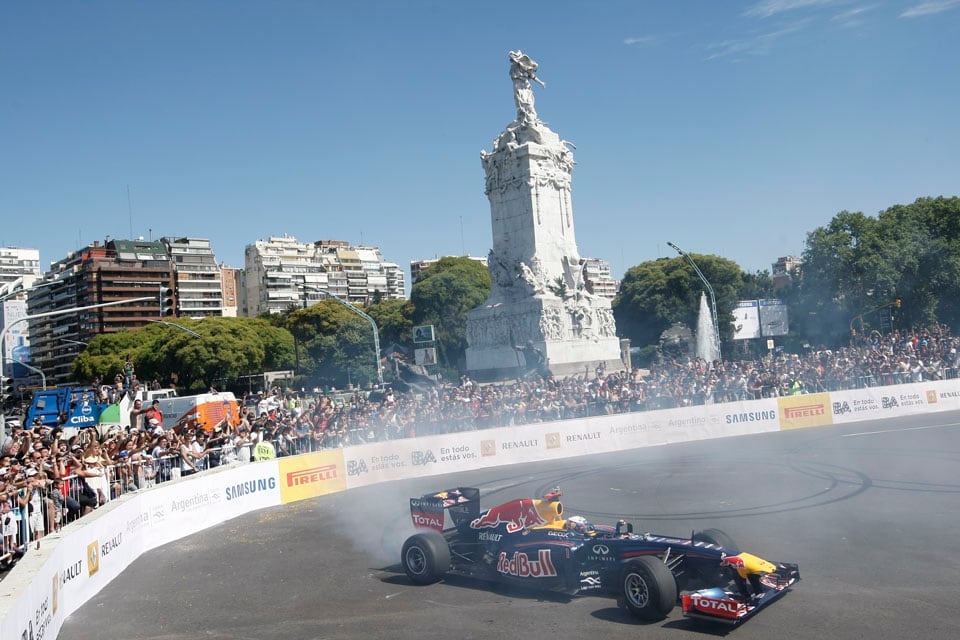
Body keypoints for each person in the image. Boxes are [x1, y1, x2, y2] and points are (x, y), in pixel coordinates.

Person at [509, 50, 544, 124]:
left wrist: (541, 83)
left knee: (528, 101)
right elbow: (514, 75)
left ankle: (531, 117)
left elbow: (532, 76)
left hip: (525, 86)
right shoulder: (514, 67)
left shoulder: (524, 66)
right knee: (520, 100)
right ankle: (523, 117)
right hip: (518, 84)